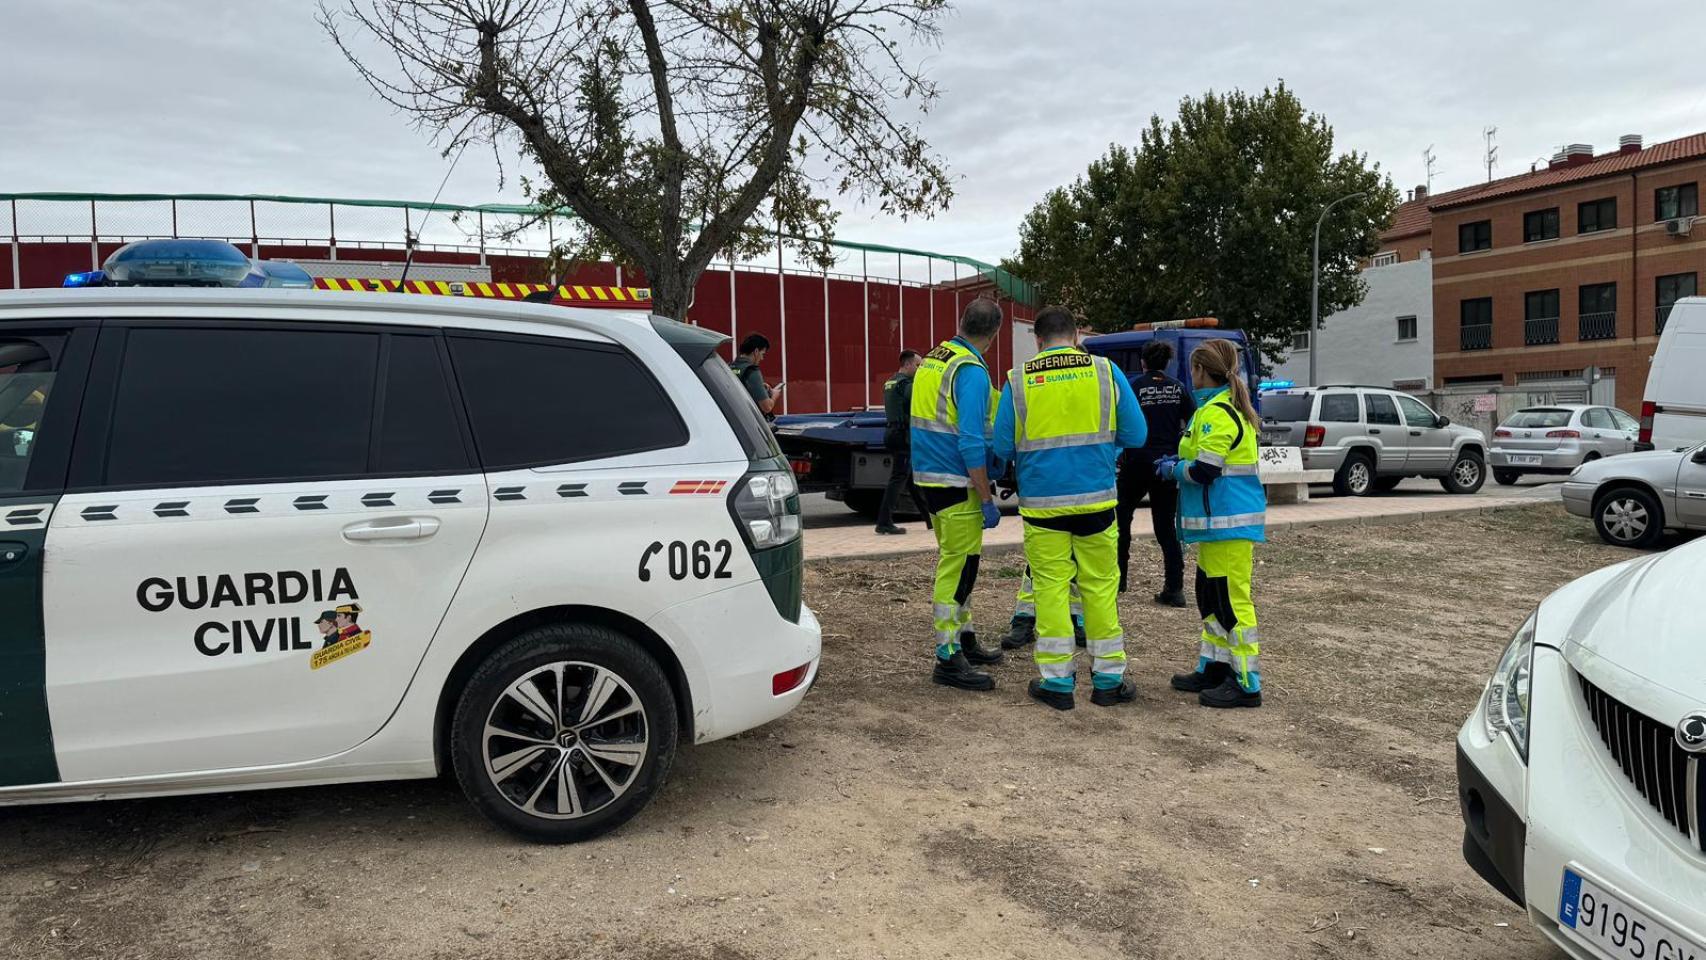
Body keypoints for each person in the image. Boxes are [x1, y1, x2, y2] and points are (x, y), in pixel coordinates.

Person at [992, 306, 1146, 710]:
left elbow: (1002, 446)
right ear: (1077, 335)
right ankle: (1109, 680)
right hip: (1096, 500)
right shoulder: (1106, 372)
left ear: (1038, 340)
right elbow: (1137, 433)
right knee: (1099, 587)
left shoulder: (1018, 379)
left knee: (1051, 590)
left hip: (1043, 508)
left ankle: (1057, 684)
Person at [1155, 339, 1267, 709]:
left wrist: (1174, 469)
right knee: (1211, 598)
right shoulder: (1213, 410)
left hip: (1228, 525)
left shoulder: (1219, 413)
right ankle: (1215, 666)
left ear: (1200, 371)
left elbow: (1205, 470)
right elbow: (1202, 458)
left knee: (1231, 602)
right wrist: (1178, 459)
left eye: (1193, 370)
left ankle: (1247, 681)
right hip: (1216, 525)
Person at [910, 298, 1007, 691]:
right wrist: (986, 497)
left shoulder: (936, 358)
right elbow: (970, 442)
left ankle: (964, 639)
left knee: (961, 563)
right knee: (958, 569)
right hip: (955, 482)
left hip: (929, 479)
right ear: (994, 334)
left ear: (963, 322)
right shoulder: (969, 370)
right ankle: (948, 657)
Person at [1117, 339, 1196, 605]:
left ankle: (1119, 580)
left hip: (1136, 461)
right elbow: (1193, 421)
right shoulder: (1178, 388)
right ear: (1167, 363)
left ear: (1143, 362)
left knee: (1122, 520)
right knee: (1165, 527)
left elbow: (1121, 421)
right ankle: (1174, 588)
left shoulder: (1134, 387)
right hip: (1166, 464)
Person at [875, 349, 923, 535]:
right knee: (898, 479)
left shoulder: (891, 381)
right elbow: (917, 395)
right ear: (908, 364)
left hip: (892, 432)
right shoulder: (905, 384)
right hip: (902, 435)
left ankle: (930, 519)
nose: (920, 369)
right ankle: (884, 522)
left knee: (910, 479)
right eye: (918, 365)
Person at [730, 333, 783, 418]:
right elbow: (767, 407)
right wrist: (774, 395)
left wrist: (759, 387)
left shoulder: (730, 367)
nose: (762, 358)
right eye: (762, 354)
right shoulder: (752, 371)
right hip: (748, 420)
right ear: (756, 351)